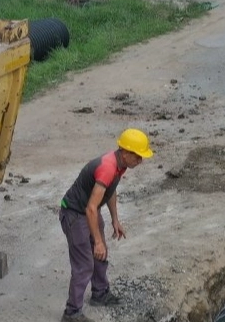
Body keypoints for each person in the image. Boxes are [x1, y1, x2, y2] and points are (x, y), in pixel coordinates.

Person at [59, 128, 154, 322]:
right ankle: (71, 313)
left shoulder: (120, 165)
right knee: (85, 264)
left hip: (86, 211)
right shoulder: (108, 166)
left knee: (100, 255)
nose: (140, 161)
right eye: (137, 156)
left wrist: (115, 220)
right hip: (74, 214)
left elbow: (109, 192)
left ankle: (100, 293)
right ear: (126, 152)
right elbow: (91, 208)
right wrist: (98, 241)